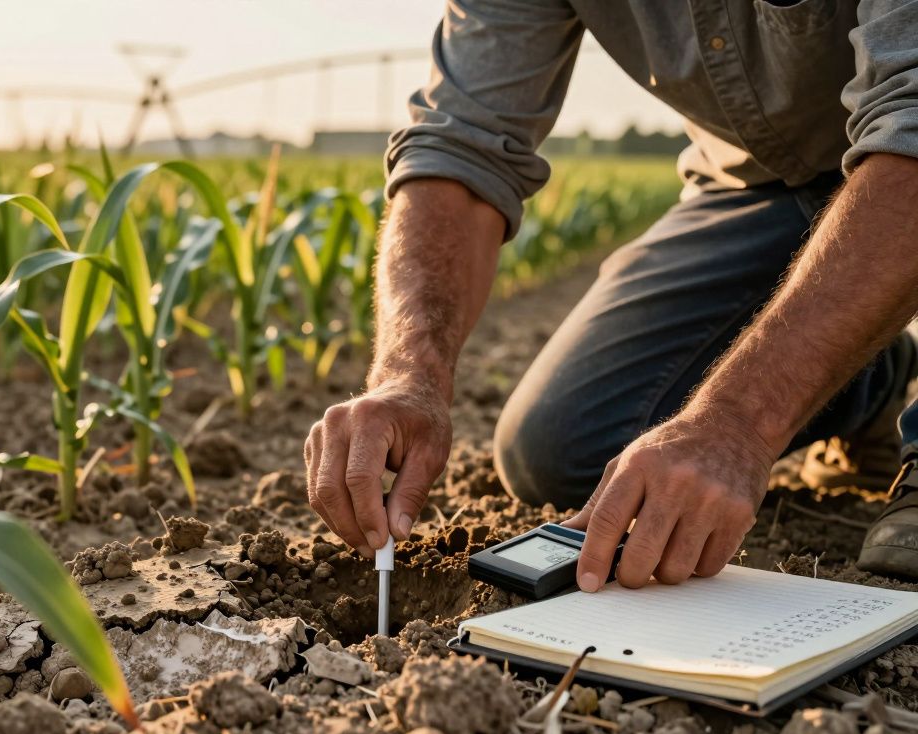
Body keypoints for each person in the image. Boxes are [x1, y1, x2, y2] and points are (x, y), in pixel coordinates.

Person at [304, 0, 918, 589]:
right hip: (757, 187)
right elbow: (461, 142)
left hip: (901, 165)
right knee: (563, 450)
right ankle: (872, 373)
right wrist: (408, 374)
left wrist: (738, 422)